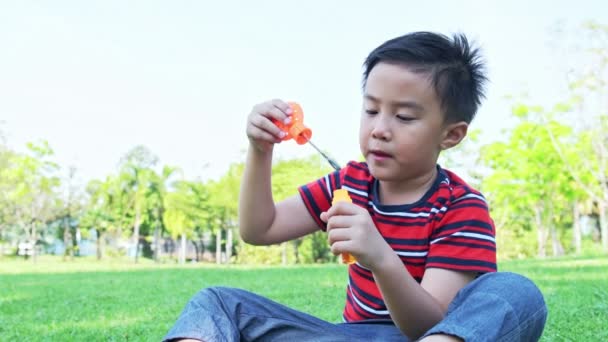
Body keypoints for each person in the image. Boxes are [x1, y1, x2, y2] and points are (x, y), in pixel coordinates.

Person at [163, 31, 547, 342]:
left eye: (403, 116)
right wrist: (260, 150)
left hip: (423, 337)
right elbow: (258, 229)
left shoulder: (460, 207)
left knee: (516, 293)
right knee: (217, 303)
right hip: (343, 336)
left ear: (451, 135)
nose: (380, 128)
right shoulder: (349, 183)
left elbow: (428, 326)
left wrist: (379, 257)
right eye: (371, 110)